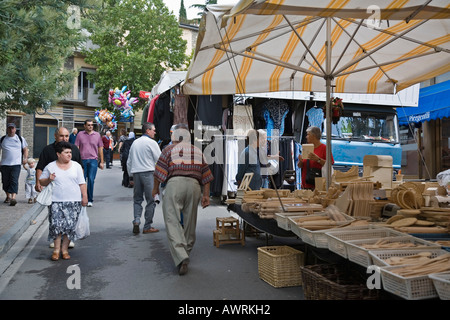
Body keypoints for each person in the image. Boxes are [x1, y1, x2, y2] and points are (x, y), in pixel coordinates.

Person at [152, 123, 214, 275]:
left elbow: (159, 171)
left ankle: (181, 256)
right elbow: (207, 176)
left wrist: (155, 189)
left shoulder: (169, 150)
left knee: (172, 220)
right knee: (189, 222)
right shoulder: (197, 151)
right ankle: (185, 251)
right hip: (194, 187)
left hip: (175, 185)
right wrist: (206, 195)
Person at [39, 141, 88, 261]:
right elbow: (41, 181)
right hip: (56, 201)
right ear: (58, 154)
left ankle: (64, 250)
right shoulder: (50, 166)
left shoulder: (76, 166)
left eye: (70, 152)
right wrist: (49, 180)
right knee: (56, 226)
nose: (69, 155)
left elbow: (82, 183)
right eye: (66, 152)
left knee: (69, 227)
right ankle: (56, 250)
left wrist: (85, 196)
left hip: (73, 201)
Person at [127, 123, 161, 234]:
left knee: (137, 199)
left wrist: (130, 176)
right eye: (153, 130)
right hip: (148, 173)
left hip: (136, 173)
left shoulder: (135, 143)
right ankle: (147, 226)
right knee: (151, 200)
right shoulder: (152, 143)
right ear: (147, 130)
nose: (155, 132)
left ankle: (136, 220)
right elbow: (160, 159)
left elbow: (129, 161)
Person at [35, 127, 82, 193]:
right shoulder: (47, 150)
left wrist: (81, 184)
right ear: (55, 136)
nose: (64, 139)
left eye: (66, 136)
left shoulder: (74, 149)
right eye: (61, 136)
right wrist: (38, 182)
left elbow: (80, 168)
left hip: (70, 186)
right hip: (52, 187)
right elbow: (40, 167)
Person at [75, 120, 104, 207]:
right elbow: (76, 147)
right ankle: (82, 198)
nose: (90, 126)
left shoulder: (97, 135)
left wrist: (102, 162)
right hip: (82, 160)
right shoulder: (80, 134)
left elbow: (100, 148)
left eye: (92, 125)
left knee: (91, 180)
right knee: (82, 180)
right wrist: (76, 161)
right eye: (88, 125)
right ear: (84, 126)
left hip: (93, 160)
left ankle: (90, 199)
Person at [0, 123, 28, 206]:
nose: (11, 130)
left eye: (12, 128)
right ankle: (8, 196)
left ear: (15, 129)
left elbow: (25, 149)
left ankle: (13, 198)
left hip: (16, 164)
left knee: (14, 180)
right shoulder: (3, 139)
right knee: (5, 181)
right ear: (7, 129)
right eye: (9, 128)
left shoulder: (20, 139)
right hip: (4, 164)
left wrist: (25, 158)